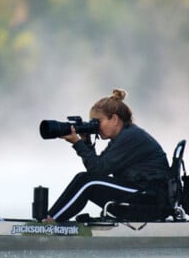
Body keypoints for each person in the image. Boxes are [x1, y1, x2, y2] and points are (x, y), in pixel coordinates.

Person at [43, 89, 169, 223]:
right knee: (85, 179)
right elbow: (96, 168)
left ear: (114, 119)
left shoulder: (131, 137)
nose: (95, 127)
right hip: (143, 196)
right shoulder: (122, 136)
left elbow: (98, 170)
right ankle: (49, 219)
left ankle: (50, 222)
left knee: (88, 181)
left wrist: (78, 144)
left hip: (150, 201)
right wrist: (85, 142)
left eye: (98, 122)